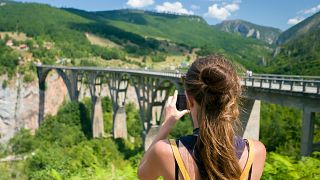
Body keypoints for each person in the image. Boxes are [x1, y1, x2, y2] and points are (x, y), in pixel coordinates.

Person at [138, 55, 266, 180]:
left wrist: (166, 125)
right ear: (230, 99)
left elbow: (142, 175)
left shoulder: (165, 152)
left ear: (189, 100)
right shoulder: (256, 152)